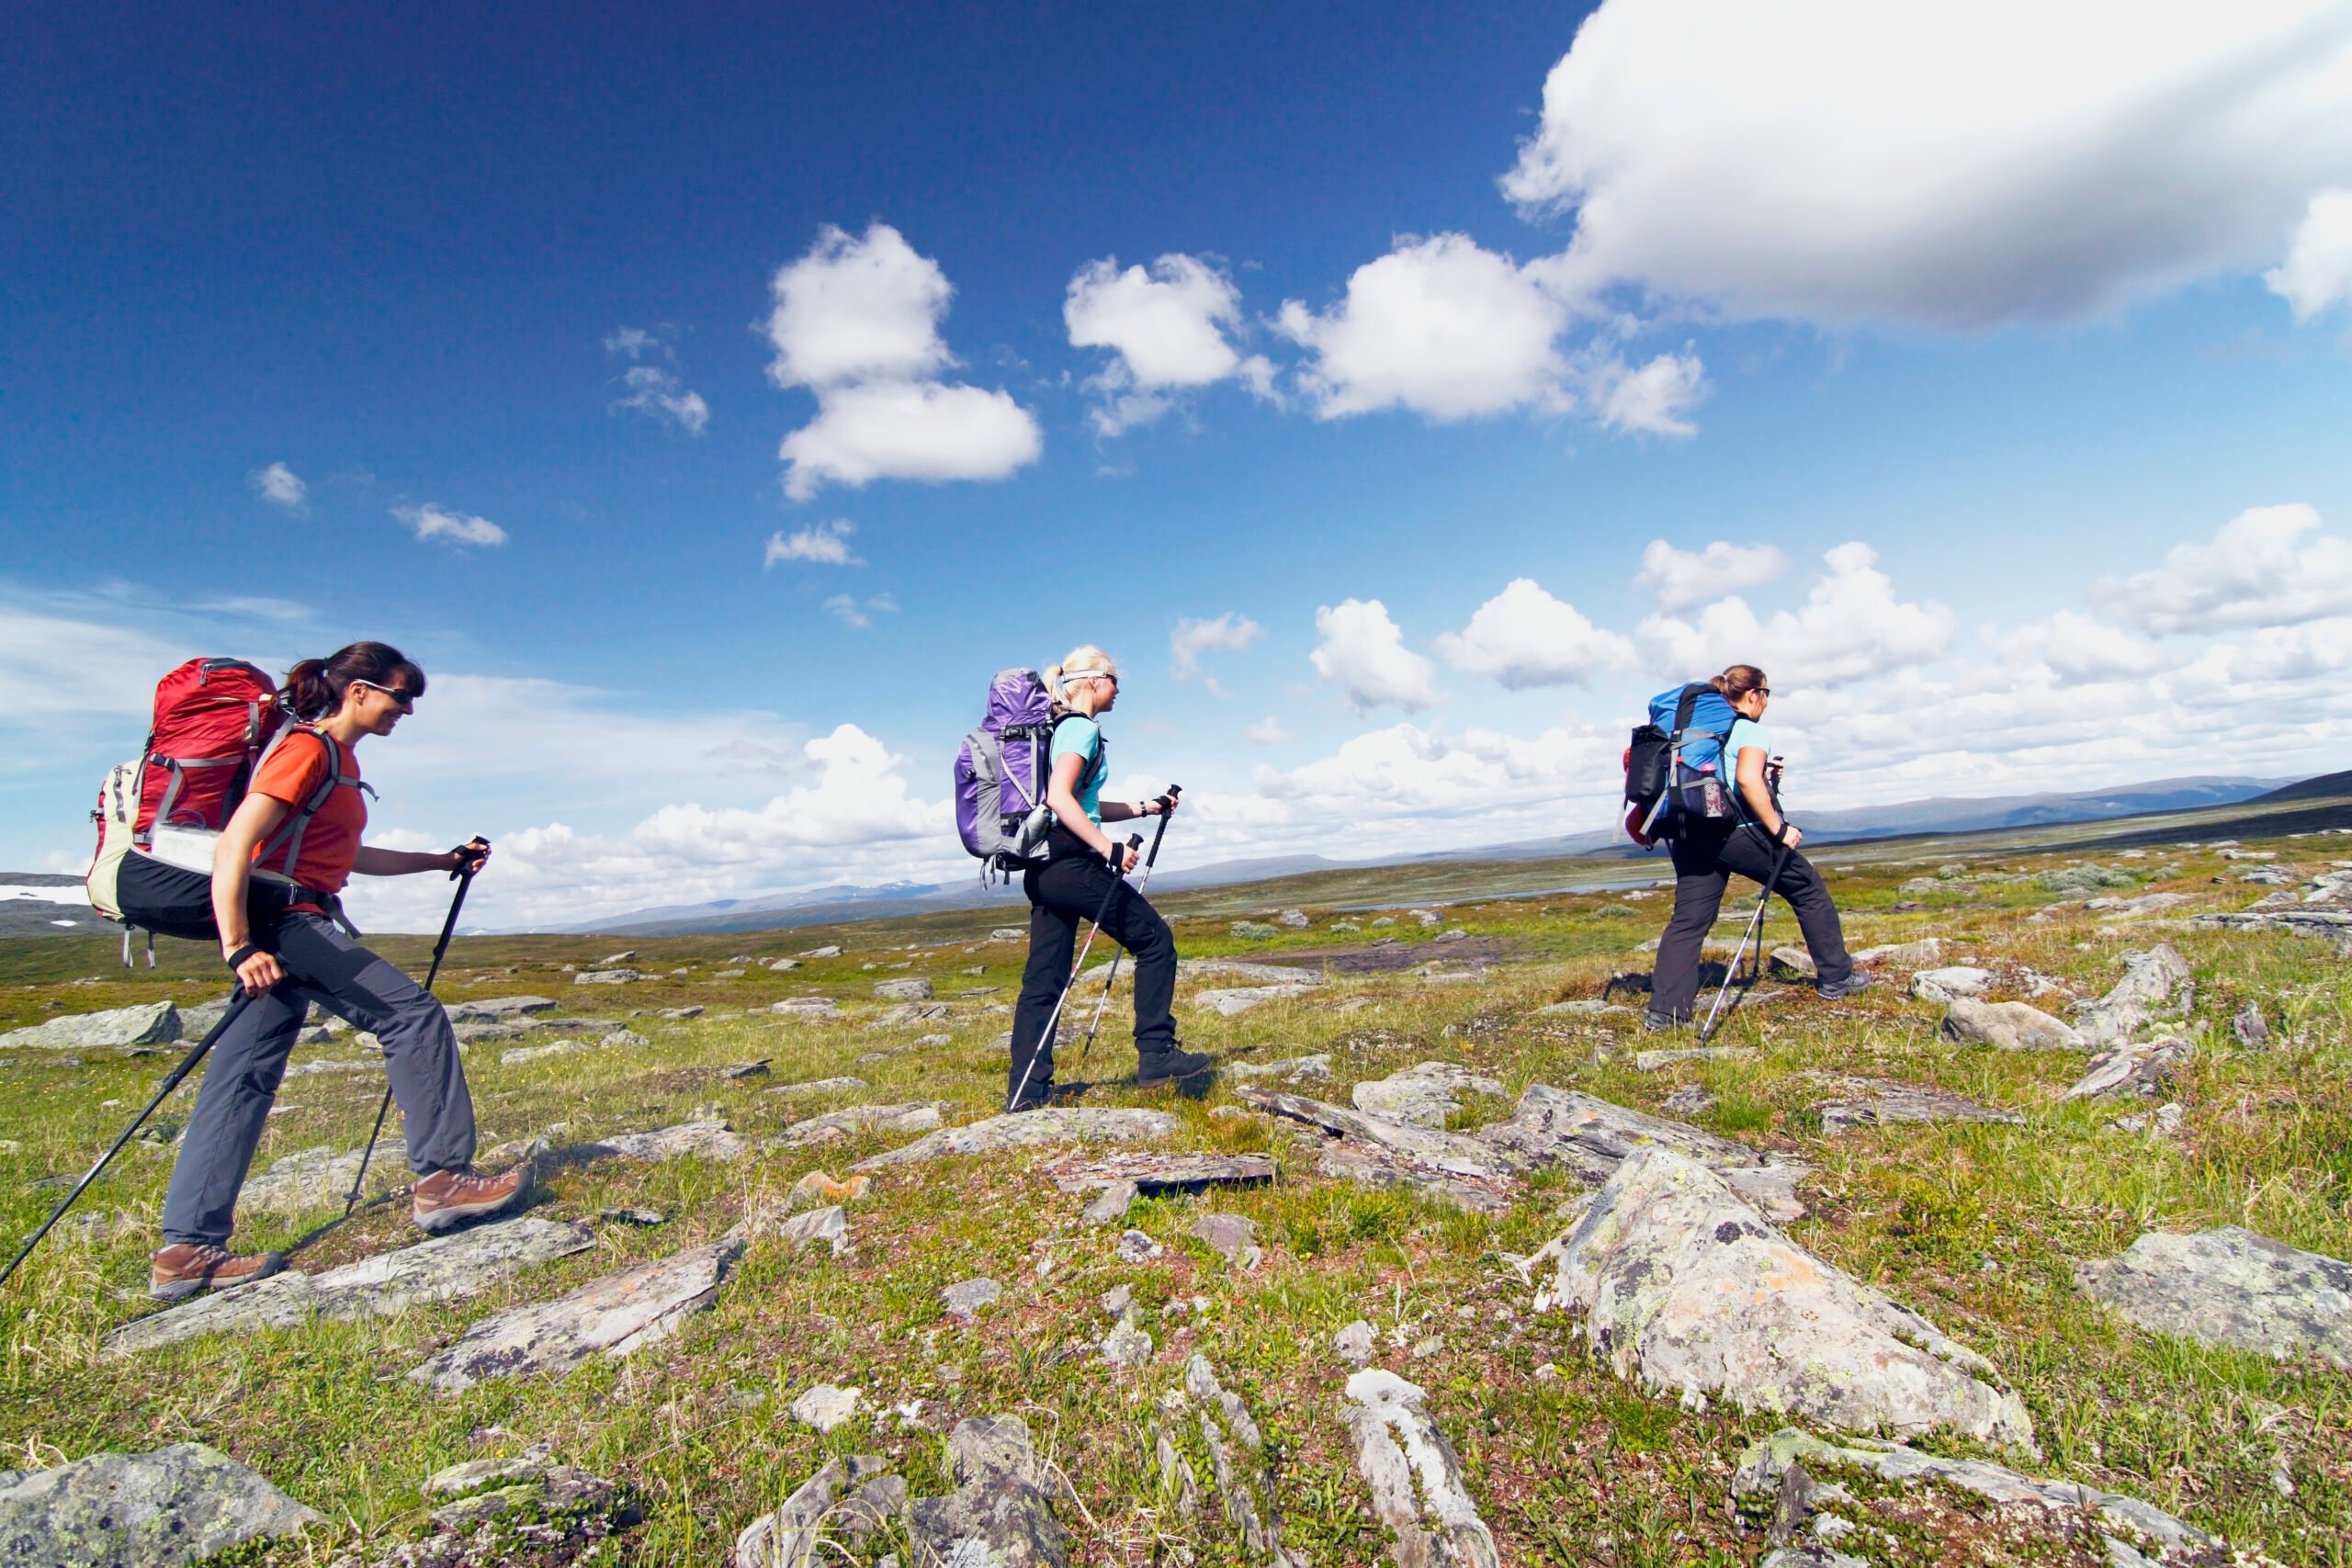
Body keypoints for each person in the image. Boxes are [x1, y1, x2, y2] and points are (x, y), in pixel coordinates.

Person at [149, 642, 528, 1300]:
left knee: (242, 1079)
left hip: (287, 923)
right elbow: (238, 842)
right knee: (410, 1015)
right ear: (357, 690)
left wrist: (440, 860)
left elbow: (349, 855)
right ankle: (443, 1180)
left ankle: (187, 1249)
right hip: (287, 923)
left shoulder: (337, 762)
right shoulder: (309, 750)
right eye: (399, 696)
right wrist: (238, 943)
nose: (405, 710)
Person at [1006, 645, 1210, 1111]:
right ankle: (1157, 1056)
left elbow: (1085, 805)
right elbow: (1060, 797)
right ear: (1094, 681)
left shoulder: (1060, 730)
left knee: (1043, 982)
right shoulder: (1081, 731)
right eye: (1116, 679)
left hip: (1043, 866)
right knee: (1155, 940)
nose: (1119, 690)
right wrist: (1108, 849)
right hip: (1072, 863)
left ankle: (1026, 1092)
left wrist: (1145, 806)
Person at [1646, 664, 1871, 1029]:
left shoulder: (1700, 733)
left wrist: (1769, 778)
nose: (1765, 701)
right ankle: (1837, 977)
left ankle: (1666, 1013)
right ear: (1754, 694)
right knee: (1808, 889)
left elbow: (1733, 780)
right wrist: (1780, 829)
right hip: (1737, 833)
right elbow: (1746, 782)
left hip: (1689, 835)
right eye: (1766, 693)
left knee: (1688, 921)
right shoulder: (1749, 729)